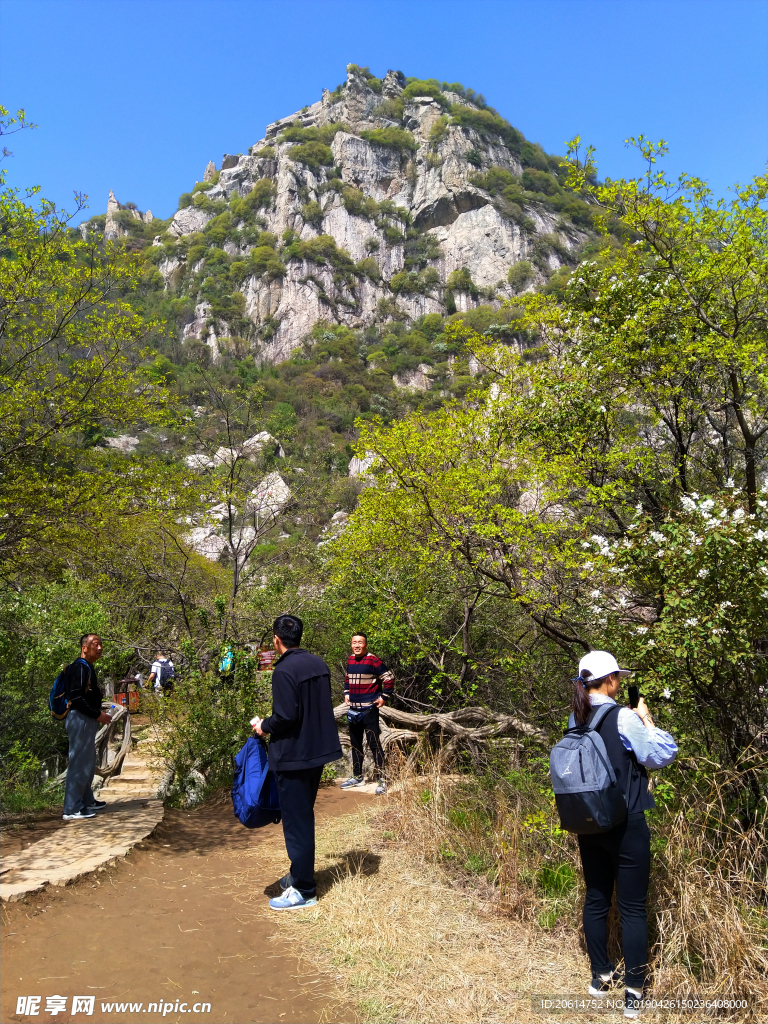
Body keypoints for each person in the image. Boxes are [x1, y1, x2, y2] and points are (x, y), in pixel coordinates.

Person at [572, 651, 678, 1019]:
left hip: (588, 820)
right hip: (626, 820)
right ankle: (634, 992)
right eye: (618, 677)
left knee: (596, 898)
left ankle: (599, 977)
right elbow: (662, 755)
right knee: (633, 907)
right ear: (612, 680)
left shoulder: (576, 716)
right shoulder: (622, 717)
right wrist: (644, 717)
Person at [252, 614, 342, 910]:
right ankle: (298, 874)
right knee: (302, 816)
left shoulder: (284, 670)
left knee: (297, 822)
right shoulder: (318, 664)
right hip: (316, 753)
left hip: (293, 757)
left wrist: (263, 725)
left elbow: (286, 716)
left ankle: (304, 890)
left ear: (276, 640)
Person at [61, 634, 113, 821]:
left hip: (85, 718)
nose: (99, 648)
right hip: (79, 719)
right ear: (84, 647)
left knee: (88, 761)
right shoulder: (79, 667)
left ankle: (86, 800)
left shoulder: (87, 667)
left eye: (101, 644)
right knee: (79, 762)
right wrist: (98, 714)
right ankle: (71, 809)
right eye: (95, 644)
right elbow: (76, 697)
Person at [340, 633, 394, 795]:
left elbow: (389, 678)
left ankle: (383, 779)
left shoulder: (373, 660)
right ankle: (357, 776)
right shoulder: (350, 659)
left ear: (366, 644)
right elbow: (348, 678)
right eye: (354, 642)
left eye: (360, 643)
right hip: (353, 710)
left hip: (369, 709)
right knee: (355, 744)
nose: (357, 645)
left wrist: (384, 696)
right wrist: (347, 692)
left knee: (374, 745)